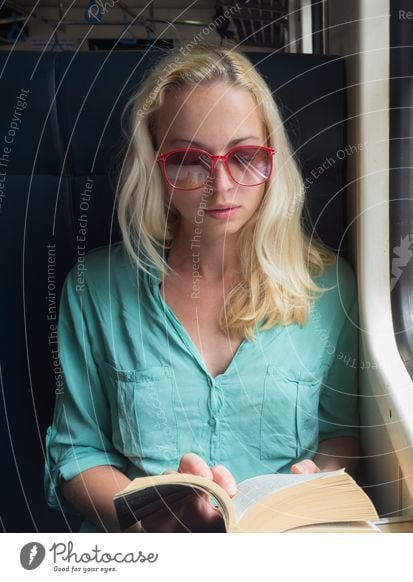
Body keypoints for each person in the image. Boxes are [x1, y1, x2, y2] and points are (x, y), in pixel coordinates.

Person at [43, 47, 360, 533]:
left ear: (272, 158)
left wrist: (315, 486)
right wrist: (151, 521)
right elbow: (77, 452)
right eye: (188, 161)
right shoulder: (94, 292)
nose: (221, 186)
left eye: (246, 156)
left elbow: (341, 433)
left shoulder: (331, 287)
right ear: (154, 164)